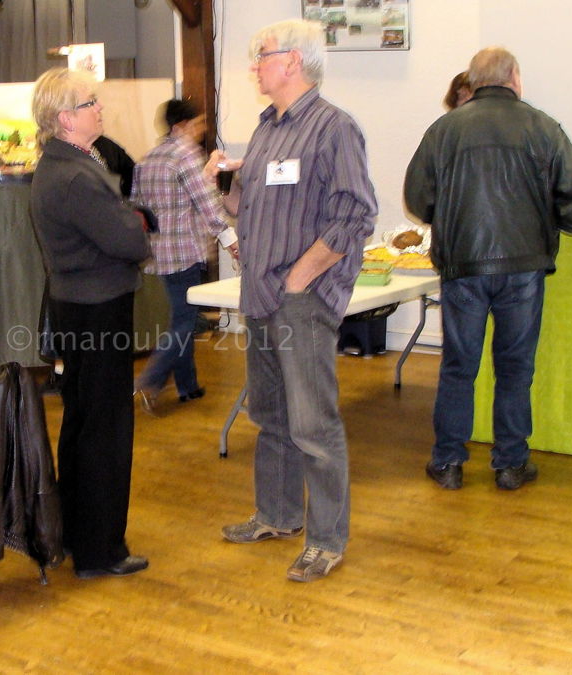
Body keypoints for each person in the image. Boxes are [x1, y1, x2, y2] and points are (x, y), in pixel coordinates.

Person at [211, 19, 377, 582]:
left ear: (293, 62)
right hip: (259, 295)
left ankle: (326, 539)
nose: (254, 64)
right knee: (271, 414)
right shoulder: (265, 128)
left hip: (299, 299)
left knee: (313, 424)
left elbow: (356, 213)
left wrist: (302, 277)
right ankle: (277, 515)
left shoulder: (334, 128)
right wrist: (222, 185)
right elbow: (247, 208)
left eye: (262, 55)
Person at [403, 47, 572, 491]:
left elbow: (417, 198)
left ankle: (448, 462)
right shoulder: (543, 127)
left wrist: (448, 216)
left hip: (463, 265)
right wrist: (559, 222)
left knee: (458, 366)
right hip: (524, 265)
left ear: (474, 79)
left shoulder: (444, 129)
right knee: (514, 367)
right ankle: (510, 463)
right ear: (514, 78)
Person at [29, 67, 152, 580]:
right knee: (104, 428)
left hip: (79, 304)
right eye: (89, 103)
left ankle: (79, 534)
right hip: (97, 308)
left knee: (82, 421)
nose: (99, 108)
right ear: (64, 118)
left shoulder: (65, 165)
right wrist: (133, 223)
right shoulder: (77, 174)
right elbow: (129, 240)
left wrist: (127, 219)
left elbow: (121, 225)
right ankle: (101, 549)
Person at [131, 98, 237, 413]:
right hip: (183, 254)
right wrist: (230, 239)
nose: (201, 130)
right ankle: (148, 382)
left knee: (181, 319)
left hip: (155, 256)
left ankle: (188, 386)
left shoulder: (146, 159)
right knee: (183, 323)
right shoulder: (186, 156)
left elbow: (136, 207)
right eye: (197, 124)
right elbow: (207, 203)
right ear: (181, 126)